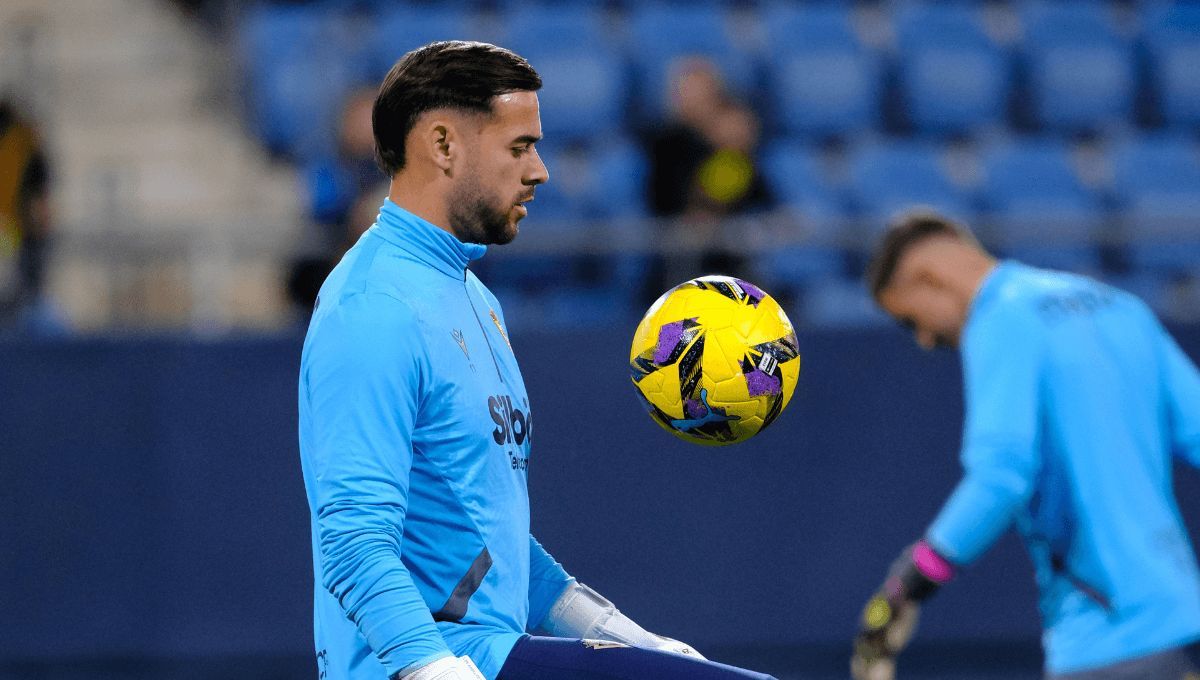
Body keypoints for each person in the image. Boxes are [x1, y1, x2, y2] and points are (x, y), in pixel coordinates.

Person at [298, 41, 778, 680]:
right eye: (520, 146)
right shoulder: (372, 307)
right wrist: (431, 669)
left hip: (491, 652)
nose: (541, 170)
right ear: (443, 146)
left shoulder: (473, 296)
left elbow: (483, 545)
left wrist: (619, 634)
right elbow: (353, 540)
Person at [850, 210, 1200, 680]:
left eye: (910, 320)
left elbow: (1001, 476)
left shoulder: (1000, 318)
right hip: (1183, 618)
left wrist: (910, 580)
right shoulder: (1118, 304)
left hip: (1107, 638)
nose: (926, 339)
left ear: (928, 278)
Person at [0, 97, 52, 327]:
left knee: (21, 283)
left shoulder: (19, 144)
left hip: (12, 226)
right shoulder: (22, 143)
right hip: (13, 226)